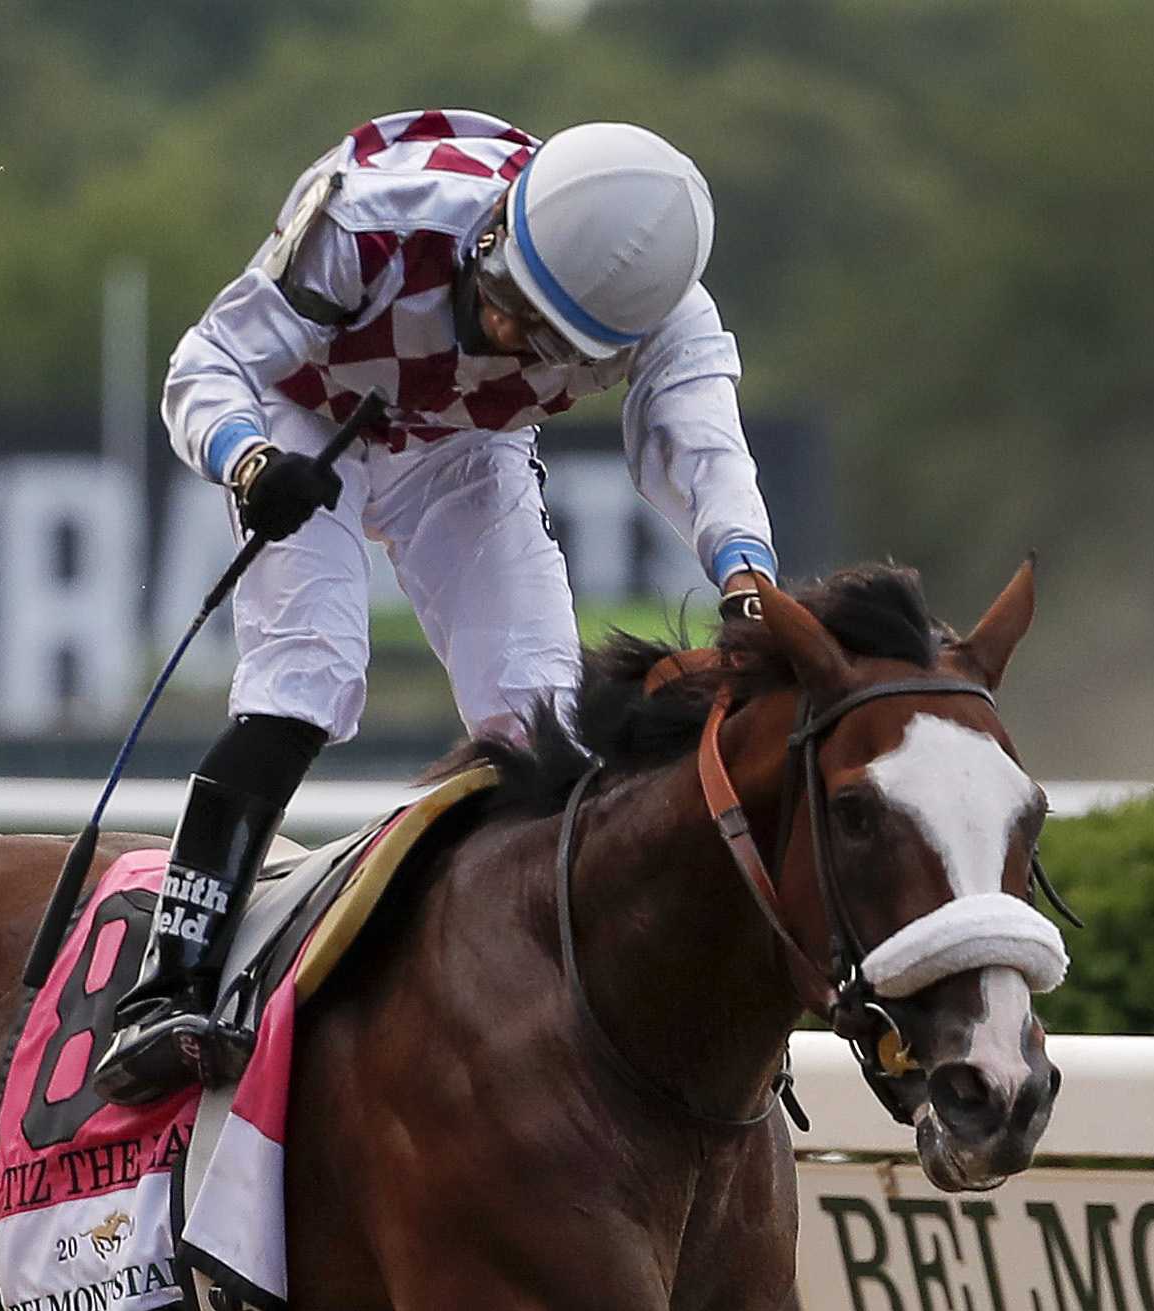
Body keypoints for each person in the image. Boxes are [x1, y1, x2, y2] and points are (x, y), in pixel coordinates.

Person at [94, 108, 783, 1103]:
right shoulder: (374, 217)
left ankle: (571, 994)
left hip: (462, 446)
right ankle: (166, 987)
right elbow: (205, 367)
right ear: (495, 231)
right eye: (505, 300)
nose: (504, 335)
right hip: (306, 414)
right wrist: (247, 460)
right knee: (306, 676)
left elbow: (701, 445)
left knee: (546, 718)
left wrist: (745, 578)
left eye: (545, 340)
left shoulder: (665, 311)